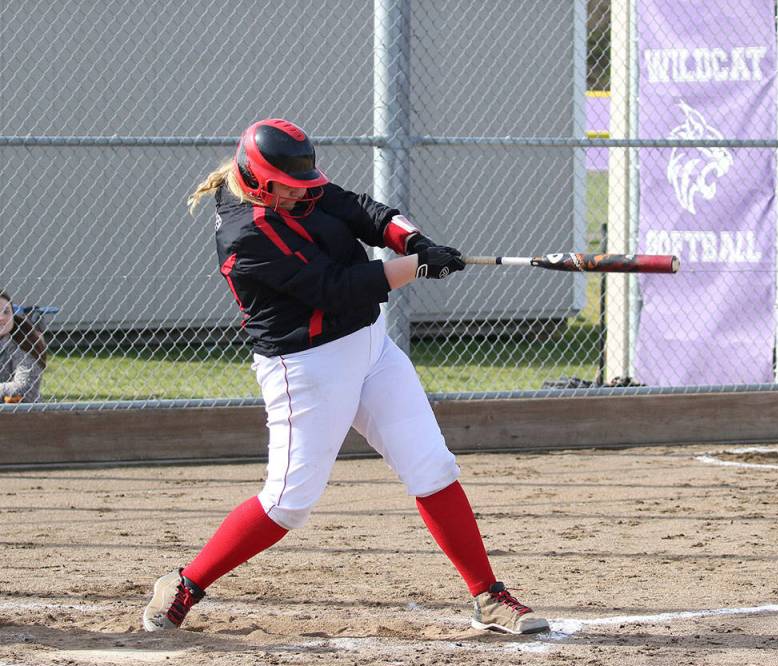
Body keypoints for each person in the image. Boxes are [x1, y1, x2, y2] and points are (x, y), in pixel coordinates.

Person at [142, 119, 548, 635]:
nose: (303, 192)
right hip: (306, 367)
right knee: (288, 503)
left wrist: (413, 241)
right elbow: (334, 287)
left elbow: (362, 212)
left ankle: (489, 597)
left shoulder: (302, 189)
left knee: (433, 467)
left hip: (371, 346)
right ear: (260, 180)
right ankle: (184, 585)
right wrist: (416, 267)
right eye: (290, 186)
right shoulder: (247, 232)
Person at [0, 291, 47, 403]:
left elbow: (24, 388)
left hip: (22, 415)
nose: (1, 317)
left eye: (6, 312)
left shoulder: (25, 344)